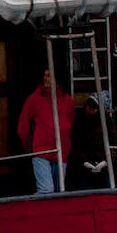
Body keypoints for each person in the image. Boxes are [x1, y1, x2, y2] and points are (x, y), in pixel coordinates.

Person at [16, 66, 75, 194]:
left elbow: (70, 123)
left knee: (59, 191)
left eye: (49, 75)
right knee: (46, 190)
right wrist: (30, 149)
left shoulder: (67, 100)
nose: (46, 78)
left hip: (62, 151)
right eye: (45, 75)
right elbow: (22, 127)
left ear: (58, 78)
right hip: (41, 150)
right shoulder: (34, 99)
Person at [67, 93, 115, 190]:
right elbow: (75, 143)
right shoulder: (79, 120)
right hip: (82, 168)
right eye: (89, 104)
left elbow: (115, 144)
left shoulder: (107, 122)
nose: (89, 108)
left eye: (94, 107)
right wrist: (84, 162)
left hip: (103, 166)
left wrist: (105, 162)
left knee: (107, 194)